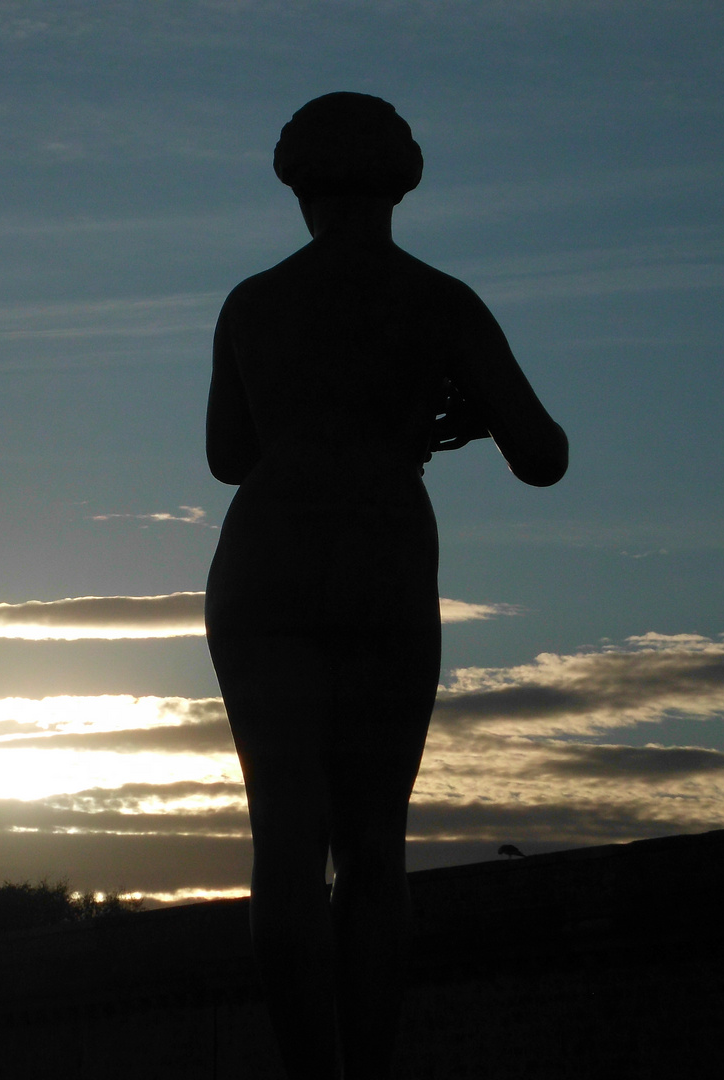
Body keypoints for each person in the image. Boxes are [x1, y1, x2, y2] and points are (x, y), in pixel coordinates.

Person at [204, 93, 567, 1080]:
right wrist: (461, 417)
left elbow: (229, 455)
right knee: (373, 843)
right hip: (381, 553)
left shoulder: (253, 302)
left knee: (284, 834)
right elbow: (544, 456)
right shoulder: (440, 303)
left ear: (298, 184)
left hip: (266, 557)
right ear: (402, 179)